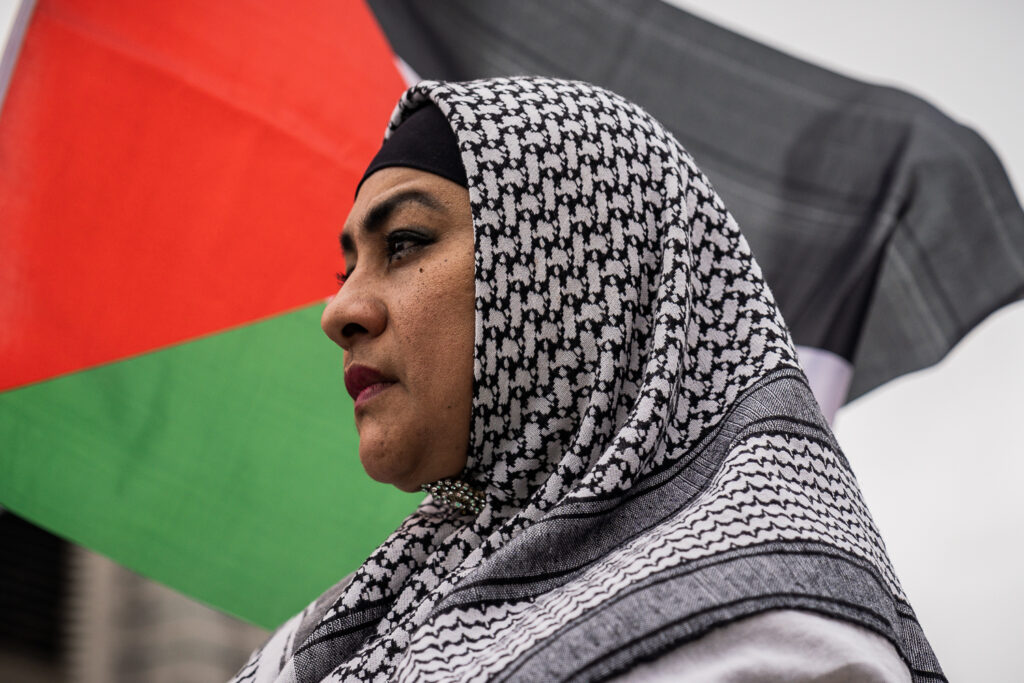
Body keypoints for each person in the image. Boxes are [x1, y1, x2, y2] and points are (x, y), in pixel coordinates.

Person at [230, 77, 943, 682]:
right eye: (344, 270)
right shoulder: (342, 632)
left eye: (405, 243)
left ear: (571, 275)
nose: (339, 312)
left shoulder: (776, 647)